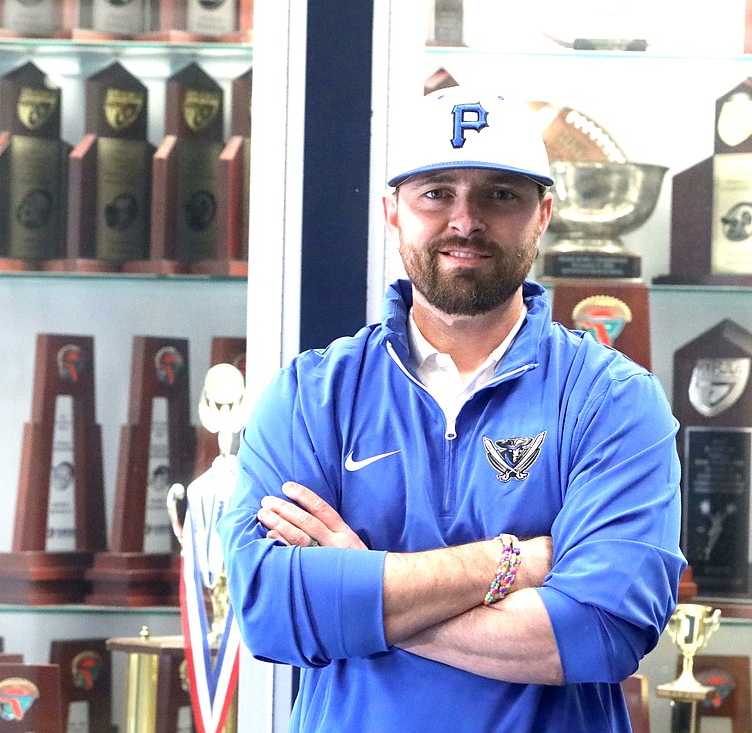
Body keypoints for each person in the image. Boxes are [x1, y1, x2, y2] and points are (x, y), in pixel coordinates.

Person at [218, 86, 686, 732]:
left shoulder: (612, 399)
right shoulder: (311, 396)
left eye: (499, 194)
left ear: (543, 212)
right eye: (436, 192)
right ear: (392, 211)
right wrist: (511, 563)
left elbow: (600, 630)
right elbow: (270, 610)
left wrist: (355, 588)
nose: (465, 221)